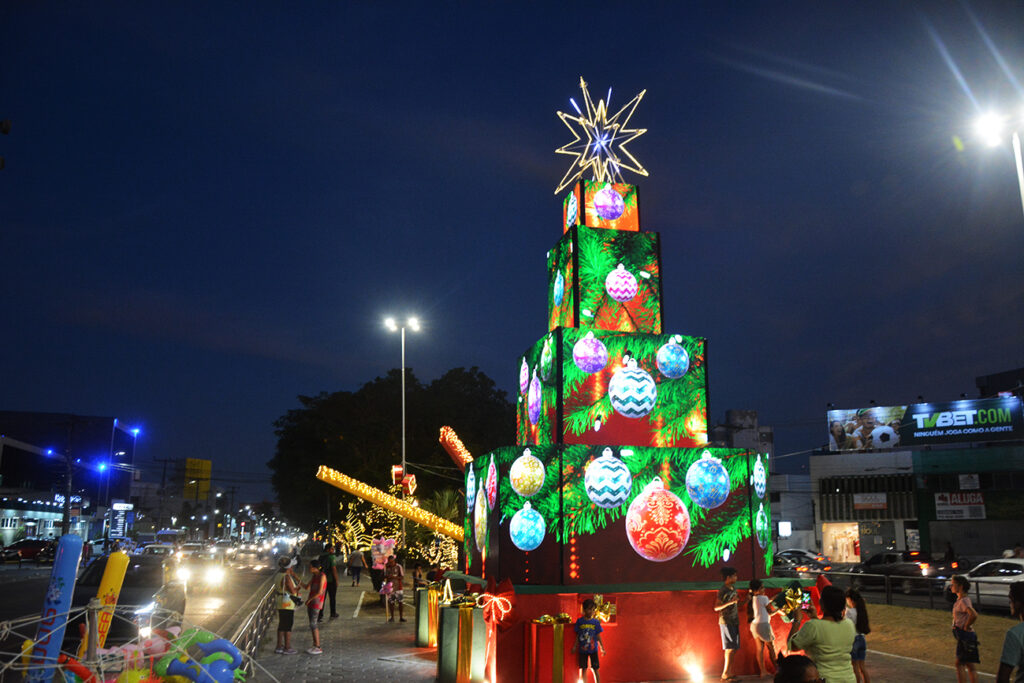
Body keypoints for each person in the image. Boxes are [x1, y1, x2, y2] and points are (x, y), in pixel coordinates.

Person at [787, 585, 856, 683]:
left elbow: (792, 646)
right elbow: (828, 632)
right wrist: (814, 618)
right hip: (849, 678)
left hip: (825, 679)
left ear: (822, 604)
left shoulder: (813, 626)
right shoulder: (849, 624)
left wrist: (797, 620)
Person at [714, 566, 744, 682]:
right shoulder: (723, 590)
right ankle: (725, 674)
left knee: (733, 648)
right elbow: (716, 607)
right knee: (730, 648)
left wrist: (745, 600)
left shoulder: (733, 589)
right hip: (726, 621)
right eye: (734, 576)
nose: (736, 578)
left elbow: (736, 604)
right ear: (728, 577)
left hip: (734, 620)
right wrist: (730, 602)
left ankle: (728, 672)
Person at [951, 574, 980, 683]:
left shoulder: (963, 601)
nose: (951, 587)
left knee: (960, 664)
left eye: (953, 584)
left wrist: (966, 626)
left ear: (961, 586)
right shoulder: (961, 600)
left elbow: (973, 614)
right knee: (969, 664)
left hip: (965, 635)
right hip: (964, 635)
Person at [748, 578, 778, 677]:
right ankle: (778, 670)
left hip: (755, 626)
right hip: (764, 625)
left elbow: (763, 603)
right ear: (756, 590)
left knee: (759, 650)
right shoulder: (764, 598)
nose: (764, 589)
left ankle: (763, 672)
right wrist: (779, 609)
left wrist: (772, 598)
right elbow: (770, 612)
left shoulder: (754, 598)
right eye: (761, 588)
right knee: (771, 648)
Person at [571, 598, 605, 683]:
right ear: (584, 610)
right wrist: (575, 646)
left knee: (595, 669)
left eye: (593, 610)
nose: (592, 611)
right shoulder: (580, 621)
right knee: (583, 669)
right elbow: (578, 635)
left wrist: (602, 647)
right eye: (590, 609)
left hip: (593, 649)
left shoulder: (596, 622)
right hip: (582, 650)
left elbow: (598, 635)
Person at [997, 582, 1024, 683]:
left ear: (1019, 603)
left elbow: (1003, 677)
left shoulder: (1016, 633)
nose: (1010, 603)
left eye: (1011, 600)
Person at [274, 555, 299, 655]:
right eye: (291, 566)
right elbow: (292, 591)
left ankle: (279, 646)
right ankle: (287, 647)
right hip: (287, 603)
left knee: (281, 624)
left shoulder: (278, 575)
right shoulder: (286, 577)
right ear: (289, 567)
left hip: (280, 601)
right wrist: (297, 588)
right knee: (288, 625)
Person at [845, 588, 871, 683]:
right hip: (862, 639)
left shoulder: (850, 612)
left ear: (851, 600)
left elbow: (846, 624)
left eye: (847, 600)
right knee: (862, 667)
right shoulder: (862, 611)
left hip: (854, 640)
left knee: (855, 666)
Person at [302, 559, 326, 655]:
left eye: (310, 567)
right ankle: (315, 644)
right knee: (312, 624)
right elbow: (307, 587)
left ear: (315, 567)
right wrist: (295, 577)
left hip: (316, 602)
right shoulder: (314, 576)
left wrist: (309, 599)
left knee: (313, 623)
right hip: (311, 602)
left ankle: (318, 646)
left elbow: (320, 592)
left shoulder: (322, 576)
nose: (309, 568)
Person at [318, 543, 339, 621]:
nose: (333, 550)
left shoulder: (321, 556)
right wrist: (336, 580)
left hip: (322, 580)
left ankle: (319, 615)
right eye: (332, 549)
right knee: (332, 597)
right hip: (330, 580)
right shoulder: (331, 557)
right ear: (328, 549)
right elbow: (334, 569)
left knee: (322, 598)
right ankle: (333, 613)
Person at [384, 555, 406, 622]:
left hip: (398, 587)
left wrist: (394, 577)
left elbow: (402, 577)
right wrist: (387, 577)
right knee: (391, 602)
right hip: (390, 588)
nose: (391, 563)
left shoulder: (398, 567)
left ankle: (401, 617)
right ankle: (392, 617)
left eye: (392, 561)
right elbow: (384, 576)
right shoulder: (387, 568)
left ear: (394, 561)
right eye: (390, 562)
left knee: (400, 602)